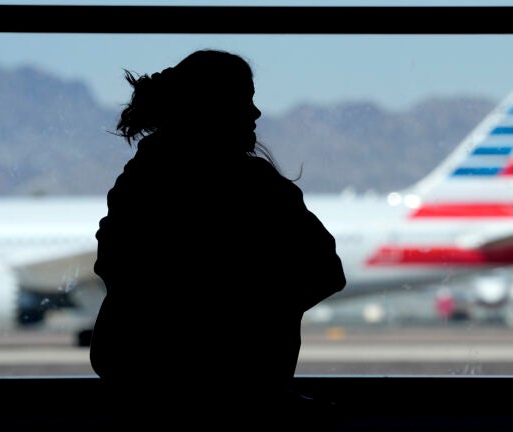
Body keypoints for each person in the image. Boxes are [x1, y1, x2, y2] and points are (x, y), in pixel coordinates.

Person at [88, 49, 346, 427]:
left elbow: (118, 272)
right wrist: (257, 319)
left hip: (136, 394)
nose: (255, 114)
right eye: (245, 101)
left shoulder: (137, 184)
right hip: (246, 400)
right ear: (211, 108)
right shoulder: (255, 187)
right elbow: (326, 271)